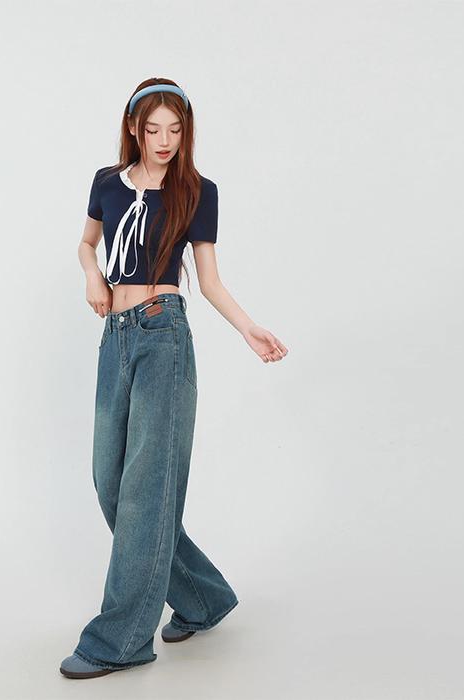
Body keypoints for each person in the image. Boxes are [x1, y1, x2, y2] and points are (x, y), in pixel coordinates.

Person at [61, 78, 289, 680]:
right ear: (134, 128)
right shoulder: (107, 182)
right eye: (153, 129)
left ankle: (122, 639)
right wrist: (92, 277)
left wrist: (249, 328)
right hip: (116, 336)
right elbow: (86, 244)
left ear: (186, 132)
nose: (164, 140)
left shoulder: (197, 191)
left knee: (145, 489)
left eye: (176, 129)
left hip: (164, 333)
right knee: (110, 481)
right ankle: (202, 598)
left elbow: (208, 279)